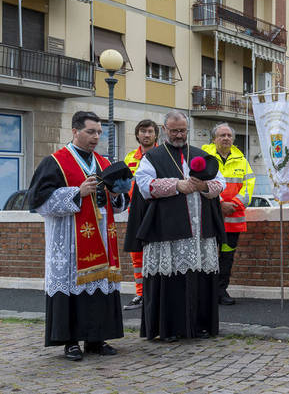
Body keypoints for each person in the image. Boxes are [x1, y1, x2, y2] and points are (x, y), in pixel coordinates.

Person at [27, 111, 128, 361]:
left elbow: (118, 205)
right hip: (69, 241)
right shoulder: (56, 161)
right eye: (90, 132)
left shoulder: (104, 164)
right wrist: (77, 193)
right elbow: (38, 201)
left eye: (99, 133)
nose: (95, 137)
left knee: (98, 286)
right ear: (75, 131)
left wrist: (118, 197)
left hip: (101, 239)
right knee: (71, 285)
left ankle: (96, 338)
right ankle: (70, 341)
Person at [133, 110, 226, 341]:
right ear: (165, 130)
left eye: (182, 130)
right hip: (168, 230)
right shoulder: (153, 157)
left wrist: (204, 187)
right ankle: (169, 328)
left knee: (201, 277)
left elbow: (220, 182)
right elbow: (144, 185)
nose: (178, 135)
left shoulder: (200, 154)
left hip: (199, 230)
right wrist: (177, 186)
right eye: (174, 131)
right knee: (170, 280)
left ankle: (200, 325)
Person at [201, 122, 255, 306]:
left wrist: (235, 203)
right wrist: (220, 204)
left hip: (233, 220)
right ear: (214, 139)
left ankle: (221, 290)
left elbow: (249, 187)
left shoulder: (242, 160)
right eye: (222, 135)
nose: (226, 138)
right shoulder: (205, 157)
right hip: (210, 219)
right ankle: (207, 292)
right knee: (208, 256)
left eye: (229, 136)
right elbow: (201, 184)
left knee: (227, 257)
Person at [122, 119, 158, 311]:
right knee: (137, 255)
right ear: (137, 134)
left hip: (157, 212)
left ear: (155, 135)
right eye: (142, 131)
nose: (146, 135)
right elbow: (124, 186)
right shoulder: (130, 159)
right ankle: (140, 293)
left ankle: (156, 293)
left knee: (157, 253)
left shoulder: (163, 155)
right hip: (135, 213)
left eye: (150, 131)